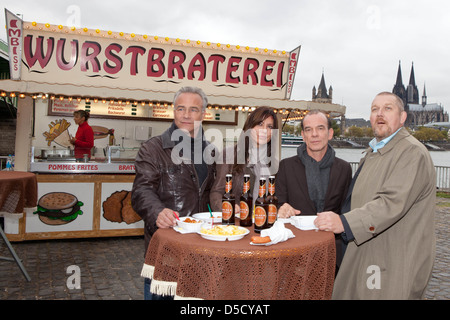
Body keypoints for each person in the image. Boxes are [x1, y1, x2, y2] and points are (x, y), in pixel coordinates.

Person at [315, 92, 436, 299]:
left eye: (388, 108)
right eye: (374, 109)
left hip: (390, 263)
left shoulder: (412, 153)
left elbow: (390, 203)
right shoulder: (374, 151)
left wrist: (344, 222)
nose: (380, 114)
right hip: (369, 254)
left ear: (403, 117)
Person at [131, 86, 216, 300]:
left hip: (202, 248)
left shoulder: (212, 151)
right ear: (173, 111)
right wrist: (157, 211)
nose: (186, 115)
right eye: (181, 108)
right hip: (166, 248)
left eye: (193, 109)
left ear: (203, 114)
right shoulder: (153, 148)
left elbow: (215, 194)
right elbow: (142, 190)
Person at [275, 110, 352, 268]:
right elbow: (276, 203)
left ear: (330, 133)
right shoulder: (286, 166)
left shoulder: (344, 168)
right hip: (294, 251)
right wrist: (280, 209)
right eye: (309, 130)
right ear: (303, 135)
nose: (314, 134)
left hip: (332, 254)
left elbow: (347, 210)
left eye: (320, 128)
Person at [210, 107, 279, 213]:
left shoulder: (273, 162)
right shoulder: (229, 155)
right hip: (235, 223)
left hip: (262, 222)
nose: (264, 130)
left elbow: (275, 197)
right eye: (260, 124)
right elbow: (216, 192)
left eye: (269, 126)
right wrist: (226, 207)